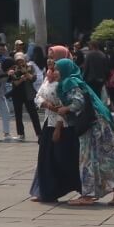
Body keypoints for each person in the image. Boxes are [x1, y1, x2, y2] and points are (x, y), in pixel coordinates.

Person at [51, 58, 114, 206]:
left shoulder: (69, 82)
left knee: (87, 158)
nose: (54, 72)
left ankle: (88, 195)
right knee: (104, 156)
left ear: (64, 70)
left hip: (92, 125)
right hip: (98, 122)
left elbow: (79, 102)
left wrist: (65, 109)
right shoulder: (74, 80)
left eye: (57, 69)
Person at [29, 57, 82, 203]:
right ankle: (47, 192)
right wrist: (45, 104)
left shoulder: (65, 83)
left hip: (63, 126)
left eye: (53, 59)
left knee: (63, 160)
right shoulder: (48, 79)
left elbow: (65, 106)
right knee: (46, 159)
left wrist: (58, 128)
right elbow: (38, 96)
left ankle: (79, 189)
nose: (51, 65)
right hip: (48, 123)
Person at [8, 52, 42, 142]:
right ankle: (21, 134)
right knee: (18, 114)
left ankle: (39, 134)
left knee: (33, 114)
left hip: (28, 94)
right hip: (17, 94)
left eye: (21, 60)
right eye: (18, 61)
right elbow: (15, 83)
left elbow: (33, 78)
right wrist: (22, 79)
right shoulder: (13, 69)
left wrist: (25, 72)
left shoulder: (30, 67)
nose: (20, 62)